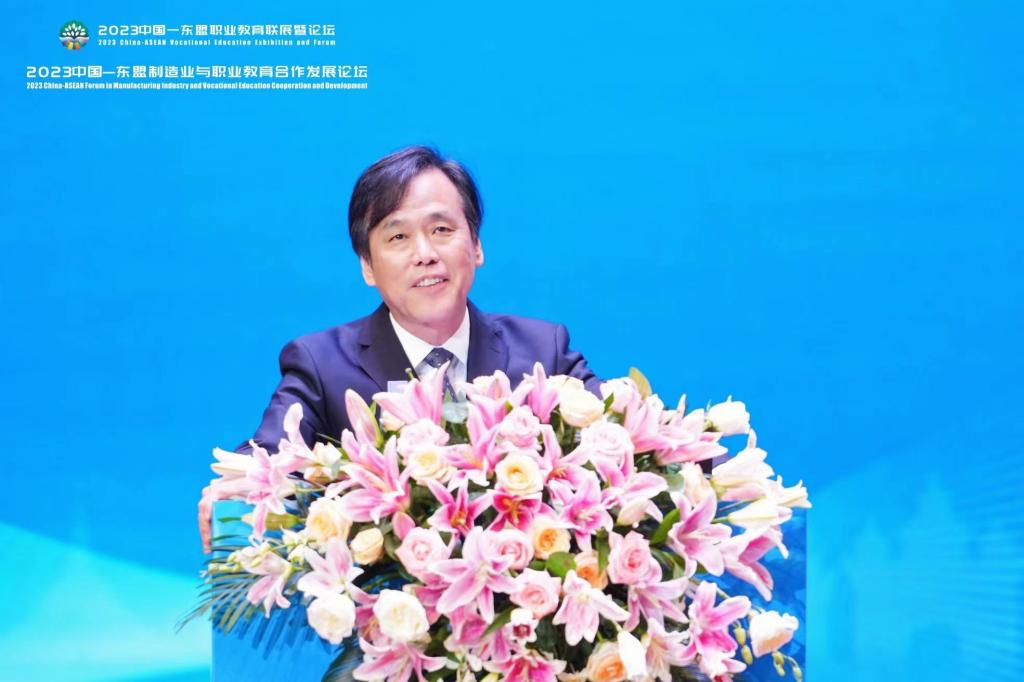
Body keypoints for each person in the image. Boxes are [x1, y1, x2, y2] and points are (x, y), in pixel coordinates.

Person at [198, 145, 599, 551]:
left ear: (476, 245)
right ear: (367, 266)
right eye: (398, 237)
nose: (425, 254)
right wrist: (242, 481)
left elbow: (617, 429)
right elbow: (271, 452)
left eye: (441, 230)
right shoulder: (321, 366)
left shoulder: (543, 352)